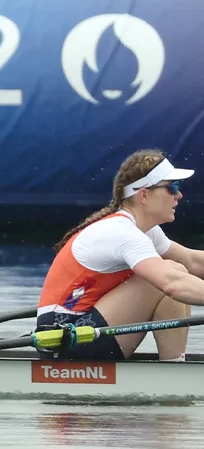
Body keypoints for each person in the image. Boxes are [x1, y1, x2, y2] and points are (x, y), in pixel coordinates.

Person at [37, 149, 198, 361]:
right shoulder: (122, 233)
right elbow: (173, 283)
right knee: (168, 275)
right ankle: (175, 375)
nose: (179, 195)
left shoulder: (144, 231)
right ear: (144, 195)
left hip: (85, 330)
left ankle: (174, 367)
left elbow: (193, 262)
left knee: (176, 268)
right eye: (172, 187)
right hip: (63, 336)